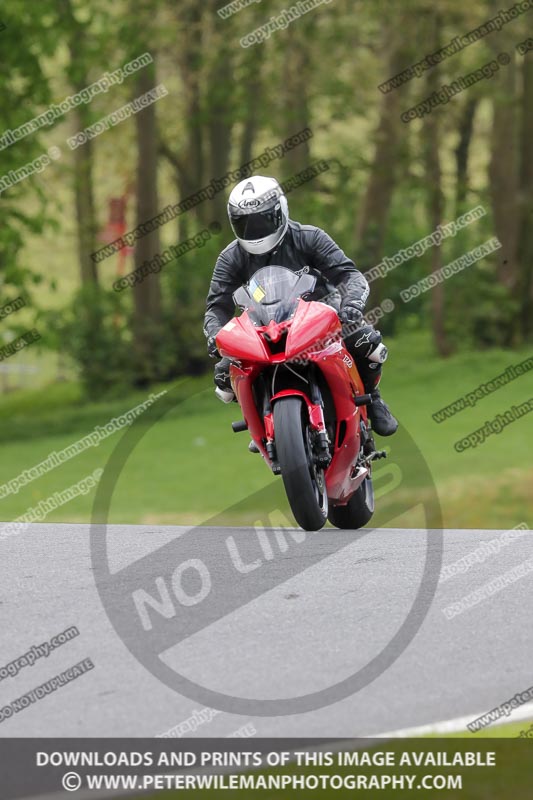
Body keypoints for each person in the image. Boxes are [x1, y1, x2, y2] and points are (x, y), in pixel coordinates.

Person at [203, 175, 398, 440]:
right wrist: (215, 334)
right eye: (245, 223)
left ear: (280, 211)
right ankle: (262, 423)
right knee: (225, 378)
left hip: (320, 320)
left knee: (366, 342)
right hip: (262, 328)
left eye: (261, 220)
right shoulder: (230, 257)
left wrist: (351, 305)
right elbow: (217, 305)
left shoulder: (309, 237)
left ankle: (373, 399)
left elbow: (350, 276)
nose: (254, 230)